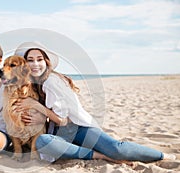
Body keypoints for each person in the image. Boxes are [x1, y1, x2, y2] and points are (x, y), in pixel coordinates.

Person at [14, 41, 176, 163]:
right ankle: (101, 156)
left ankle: (162, 156)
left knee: (117, 149)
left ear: (46, 62)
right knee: (44, 142)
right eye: (30, 60)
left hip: (79, 129)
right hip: (60, 133)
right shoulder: (35, 83)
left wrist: (37, 108)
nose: (35, 64)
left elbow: (64, 120)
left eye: (39, 59)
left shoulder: (51, 81)